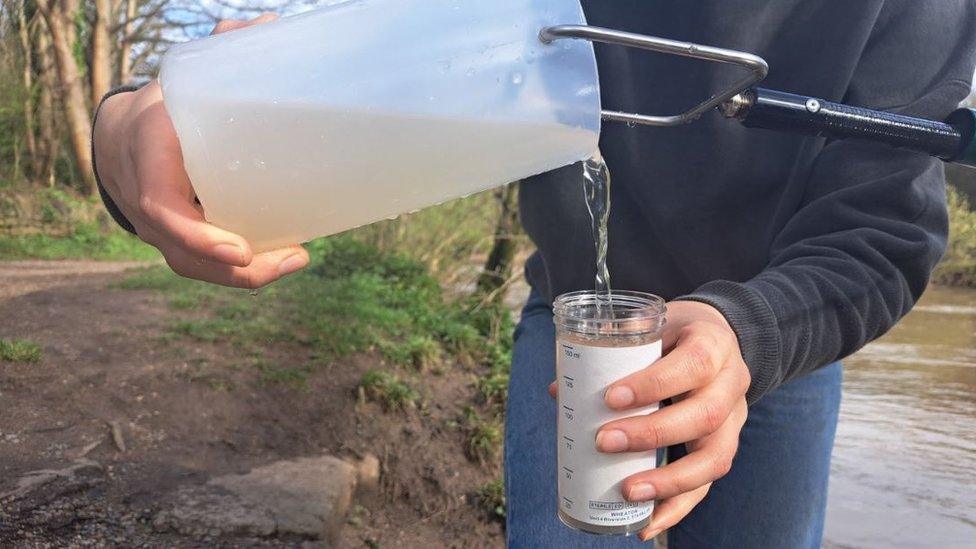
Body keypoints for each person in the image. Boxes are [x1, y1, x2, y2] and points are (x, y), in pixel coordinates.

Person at [92, 2, 976, 547]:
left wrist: (751, 334)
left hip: (784, 338)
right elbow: (353, 44)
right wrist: (141, 113)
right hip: (575, 326)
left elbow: (885, 226)